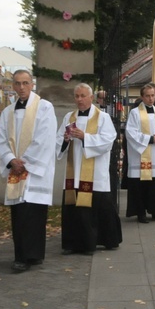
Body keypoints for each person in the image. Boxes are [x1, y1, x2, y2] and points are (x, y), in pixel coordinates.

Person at [0, 70, 57, 272]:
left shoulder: (44, 108)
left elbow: (45, 139)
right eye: (17, 83)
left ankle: (35, 254)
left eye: (25, 83)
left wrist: (26, 162)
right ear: (13, 86)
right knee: (19, 214)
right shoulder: (7, 112)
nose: (21, 87)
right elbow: (2, 141)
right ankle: (21, 256)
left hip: (35, 172)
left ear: (32, 84)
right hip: (16, 169)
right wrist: (11, 159)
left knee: (34, 213)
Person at [57, 83, 122, 254]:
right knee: (74, 209)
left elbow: (108, 140)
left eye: (83, 96)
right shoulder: (69, 117)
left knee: (95, 208)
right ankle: (72, 243)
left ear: (91, 97)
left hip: (94, 173)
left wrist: (85, 137)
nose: (79, 99)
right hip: (74, 172)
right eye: (77, 96)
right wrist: (65, 140)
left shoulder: (102, 117)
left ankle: (94, 242)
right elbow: (57, 142)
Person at [125, 84, 155, 223]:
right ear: (142, 97)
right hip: (141, 156)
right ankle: (141, 213)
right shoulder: (135, 113)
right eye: (147, 96)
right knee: (141, 185)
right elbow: (130, 133)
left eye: (153, 95)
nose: (151, 98)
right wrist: (150, 138)